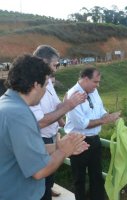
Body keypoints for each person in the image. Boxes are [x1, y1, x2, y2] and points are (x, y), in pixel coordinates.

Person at [0, 54, 88, 199]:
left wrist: (57, 146)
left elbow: (21, 150)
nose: (46, 91)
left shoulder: (7, 104)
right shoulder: (19, 115)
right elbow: (40, 171)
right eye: (46, 85)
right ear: (36, 85)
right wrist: (64, 151)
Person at [29, 45, 87, 199]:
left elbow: (57, 107)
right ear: (43, 61)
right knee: (40, 183)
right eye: (55, 65)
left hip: (51, 138)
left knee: (48, 181)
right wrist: (69, 104)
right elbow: (40, 121)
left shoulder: (47, 82)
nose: (56, 69)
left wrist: (66, 125)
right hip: (39, 140)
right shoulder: (32, 85)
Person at [65, 67, 121, 200]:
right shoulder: (72, 95)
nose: (98, 85)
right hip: (78, 141)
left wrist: (110, 117)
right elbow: (81, 124)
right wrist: (104, 120)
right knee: (79, 179)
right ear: (85, 79)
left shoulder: (93, 91)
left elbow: (100, 109)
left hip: (95, 140)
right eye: (95, 82)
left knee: (96, 176)